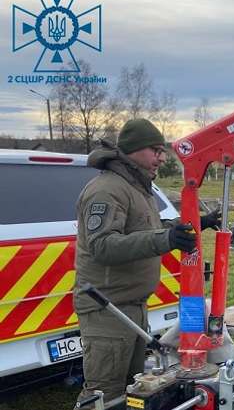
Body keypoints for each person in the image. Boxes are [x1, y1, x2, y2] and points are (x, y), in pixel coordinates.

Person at [74, 118, 221, 406]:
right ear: (134, 150)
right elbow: (102, 245)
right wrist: (166, 241)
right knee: (104, 395)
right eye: (155, 150)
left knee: (135, 391)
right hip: (108, 310)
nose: (162, 157)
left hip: (132, 307)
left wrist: (194, 223)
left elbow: (149, 229)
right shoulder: (107, 190)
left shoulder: (139, 189)